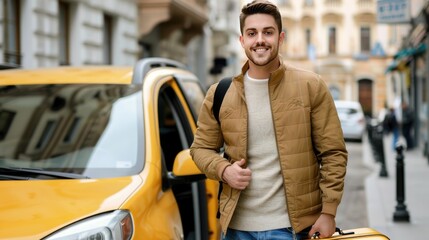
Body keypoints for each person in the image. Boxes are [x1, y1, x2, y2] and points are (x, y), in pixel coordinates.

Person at [190, 1, 348, 239]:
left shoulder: (310, 85)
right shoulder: (220, 93)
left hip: (292, 228)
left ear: (280, 38)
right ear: (242, 40)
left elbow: (333, 152)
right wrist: (223, 170)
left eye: (268, 32)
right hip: (236, 228)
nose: (260, 40)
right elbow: (200, 148)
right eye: (252, 33)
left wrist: (328, 212)